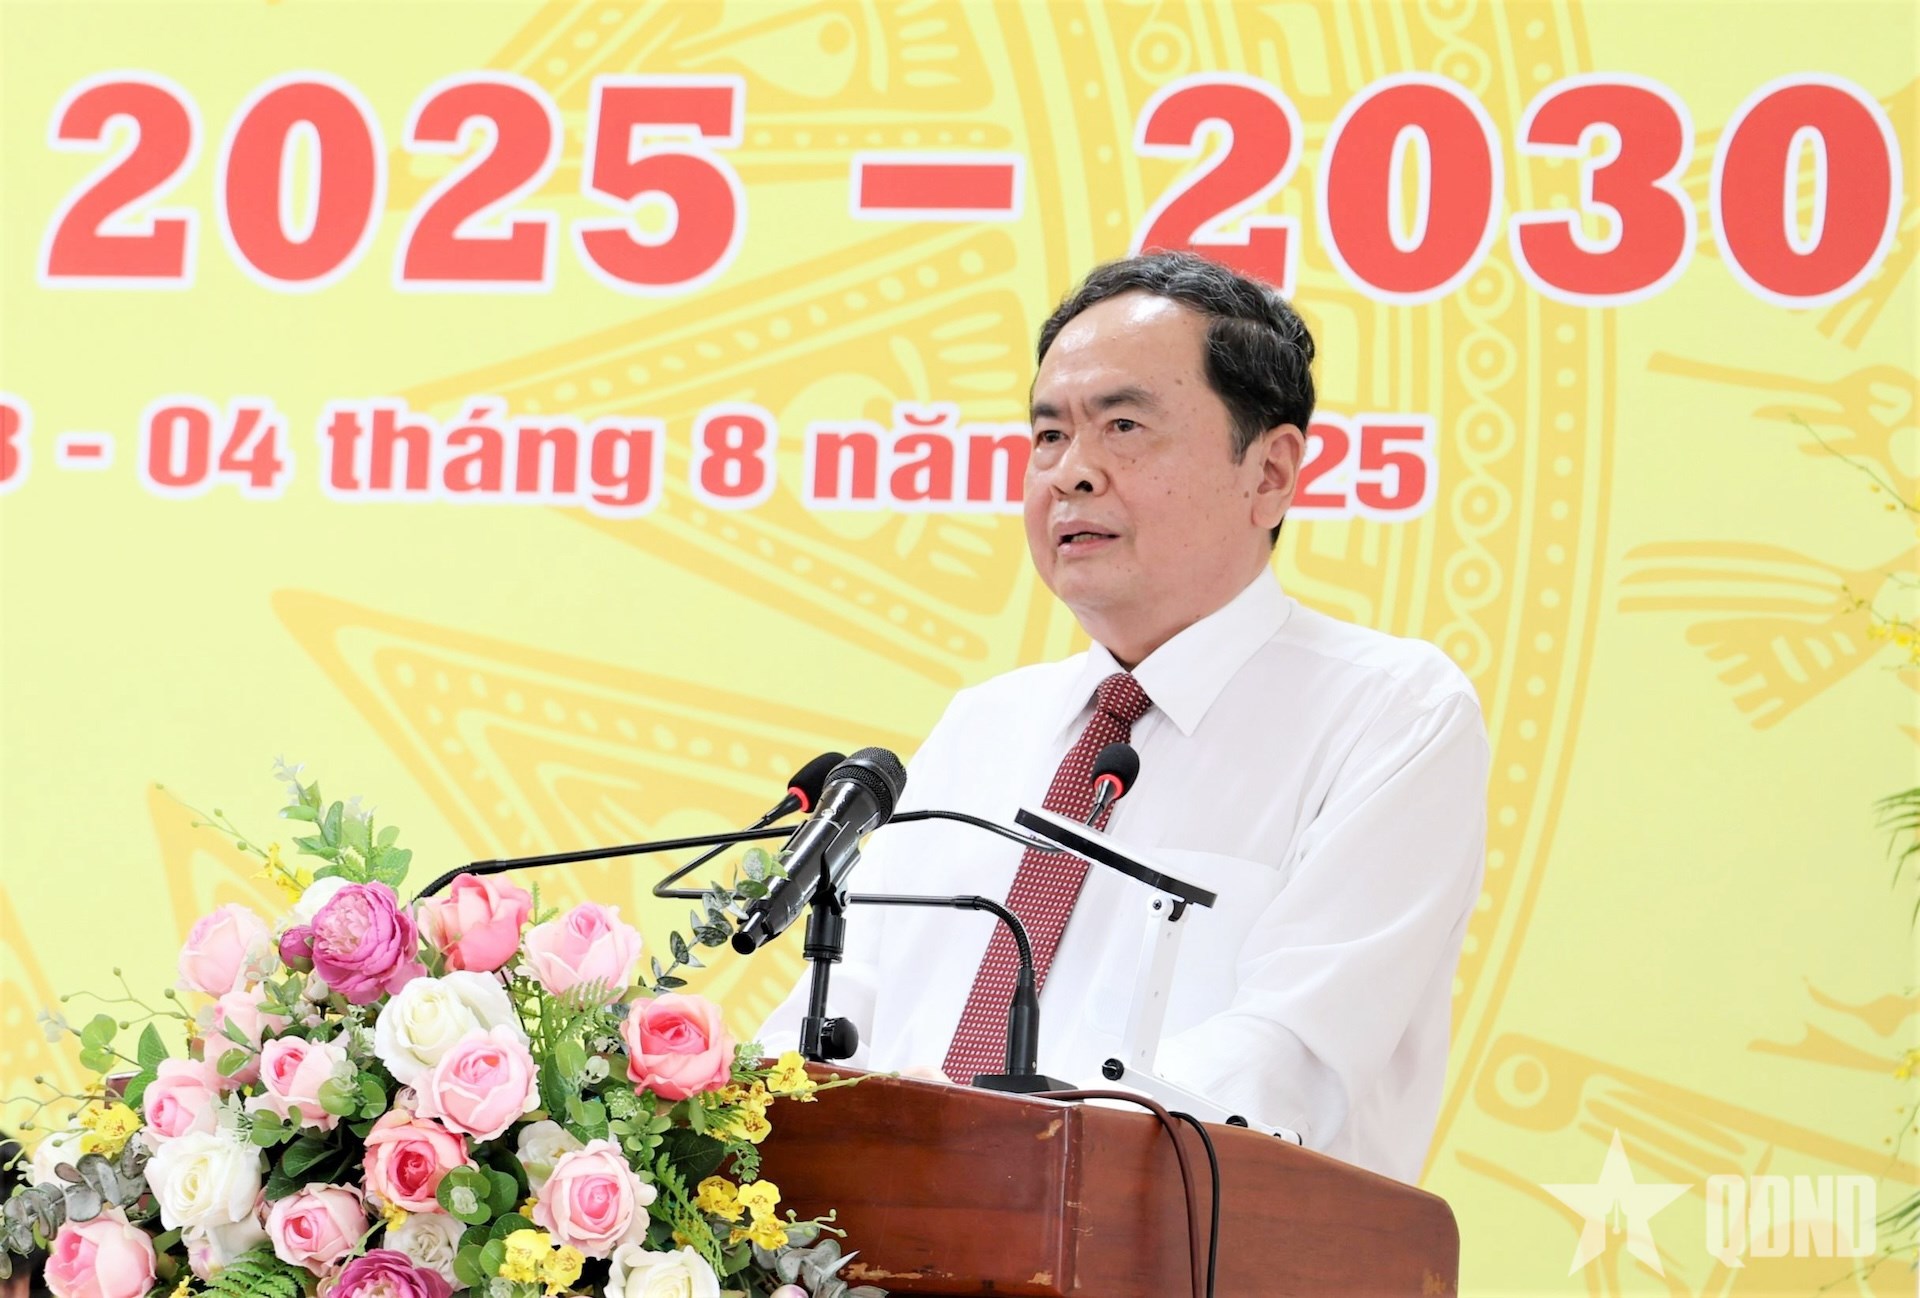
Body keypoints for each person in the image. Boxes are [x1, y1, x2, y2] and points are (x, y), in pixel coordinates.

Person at [757, 251, 1488, 1183]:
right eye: (1048, 434)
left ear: (1269, 473)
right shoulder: (985, 726)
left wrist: (994, 1162)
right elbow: (840, 1008)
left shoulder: (1389, 713)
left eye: (1124, 426)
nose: (1071, 473)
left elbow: (1287, 1057)